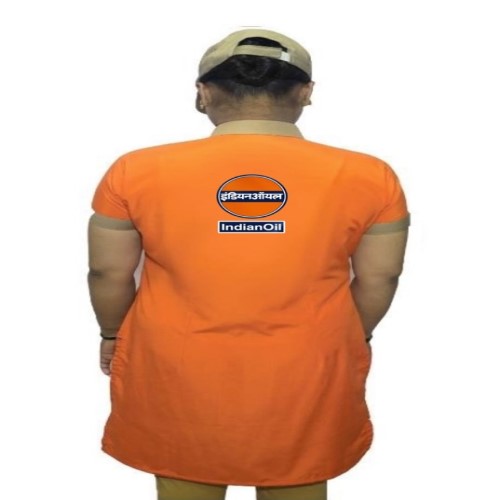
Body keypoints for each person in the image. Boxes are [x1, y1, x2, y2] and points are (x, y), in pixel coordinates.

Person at [87, 28, 410, 500]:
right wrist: (349, 336)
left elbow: (108, 273)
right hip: (307, 369)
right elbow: (381, 276)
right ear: (305, 92)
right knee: (299, 470)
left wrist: (112, 334)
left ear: (203, 92)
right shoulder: (370, 175)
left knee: (184, 471)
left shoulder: (135, 170)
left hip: (177, 365)